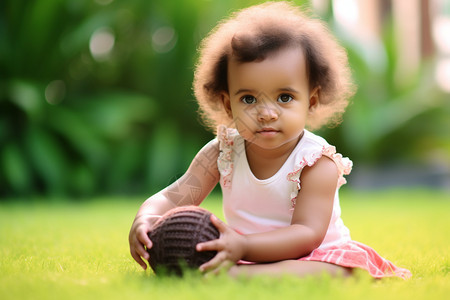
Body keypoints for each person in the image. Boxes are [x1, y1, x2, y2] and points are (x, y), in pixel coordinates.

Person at [129, 1, 412, 279]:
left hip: (311, 255)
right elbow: (172, 197)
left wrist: (245, 246)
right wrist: (146, 218)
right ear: (228, 105)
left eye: (284, 97)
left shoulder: (316, 163)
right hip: (243, 252)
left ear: (310, 101)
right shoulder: (222, 152)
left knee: (331, 271)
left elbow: (307, 235)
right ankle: (247, 271)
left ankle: (245, 275)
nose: (266, 113)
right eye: (249, 99)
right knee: (252, 264)